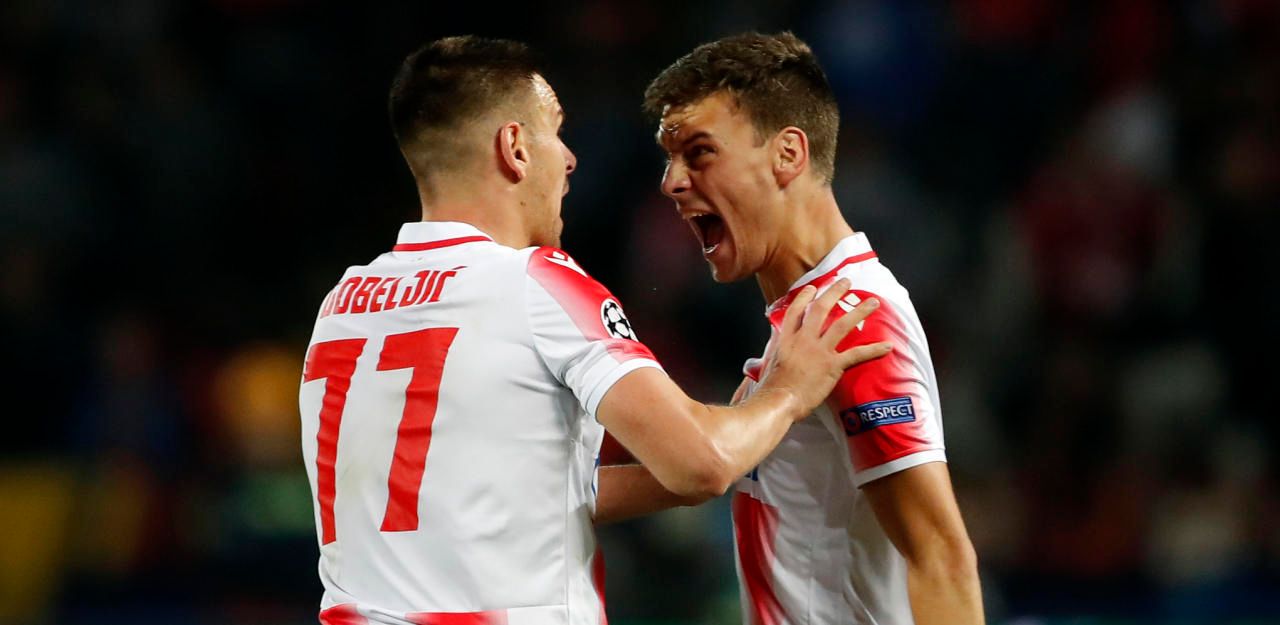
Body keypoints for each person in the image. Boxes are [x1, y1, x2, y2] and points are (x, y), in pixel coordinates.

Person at [297, 36, 892, 625]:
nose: (569, 158)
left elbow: (508, 493)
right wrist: (787, 392)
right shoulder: (536, 282)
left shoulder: (342, 304)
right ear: (515, 148)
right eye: (556, 131)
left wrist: (739, 440)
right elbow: (703, 462)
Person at [620, 32, 985, 624]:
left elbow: (942, 558)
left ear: (788, 154)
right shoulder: (804, 333)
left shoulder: (850, 319)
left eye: (700, 152)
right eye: (669, 157)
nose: (671, 182)